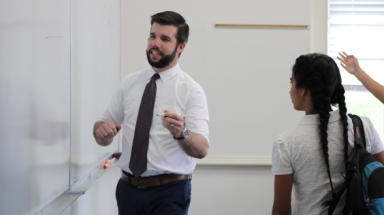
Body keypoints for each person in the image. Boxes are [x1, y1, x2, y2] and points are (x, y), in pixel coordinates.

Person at [93, 11, 209, 215]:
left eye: (164, 39)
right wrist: (102, 134)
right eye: (152, 36)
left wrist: (181, 133)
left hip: (169, 193)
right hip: (127, 190)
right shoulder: (129, 83)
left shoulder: (191, 90)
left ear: (181, 46)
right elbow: (101, 129)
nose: (155, 43)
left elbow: (201, 149)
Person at [271, 53, 384, 214]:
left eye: (292, 82)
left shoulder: (286, 143)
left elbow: (281, 210)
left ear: (304, 90)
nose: (290, 91)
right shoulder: (363, 126)